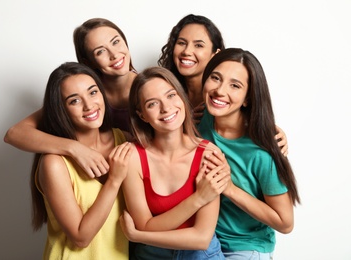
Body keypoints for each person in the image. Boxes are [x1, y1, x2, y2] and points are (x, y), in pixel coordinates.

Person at [197, 48, 301, 259]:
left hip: (245, 248)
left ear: (247, 98)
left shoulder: (263, 151)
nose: (220, 90)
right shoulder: (201, 118)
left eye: (235, 86)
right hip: (204, 241)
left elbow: (285, 222)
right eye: (215, 78)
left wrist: (230, 189)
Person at [119, 66, 231, 259]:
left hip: (201, 255)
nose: (166, 107)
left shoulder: (208, 153)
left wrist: (139, 236)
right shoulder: (132, 157)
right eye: (152, 104)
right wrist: (198, 199)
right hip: (151, 255)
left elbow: (201, 238)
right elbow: (144, 224)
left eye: (171, 95)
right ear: (142, 114)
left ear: (181, 97)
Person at [4, 18, 137, 178]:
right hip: (91, 180)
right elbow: (14, 133)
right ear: (89, 62)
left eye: (116, 42)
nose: (114, 54)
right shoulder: (87, 94)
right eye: (100, 51)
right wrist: (74, 148)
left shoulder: (152, 87)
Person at [27, 62, 133, 259]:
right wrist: (114, 180)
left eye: (93, 92)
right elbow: (80, 237)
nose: (89, 105)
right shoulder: (54, 163)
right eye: (74, 101)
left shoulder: (123, 140)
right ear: (61, 110)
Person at [158, 14, 289, 155]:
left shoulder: (222, 98)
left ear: (216, 54)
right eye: (182, 43)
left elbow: (250, 124)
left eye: (198, 45)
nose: (187, 51)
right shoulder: (163, 92)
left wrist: (270, 133)